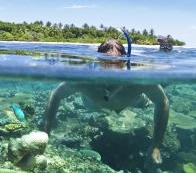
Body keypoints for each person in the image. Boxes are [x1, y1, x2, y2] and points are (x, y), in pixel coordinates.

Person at [43, 36, 169, 169]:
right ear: (98, 61)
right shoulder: (84, 79)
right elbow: (56, 95)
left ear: (125, 62)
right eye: (105, 63)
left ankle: (165, 52)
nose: (111, 71)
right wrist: (44, 132)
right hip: (93, 105)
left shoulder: (138, 80)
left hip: (133, 101)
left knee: (153, 94)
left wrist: (156, 145)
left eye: (116, 63)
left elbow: (163, 102)